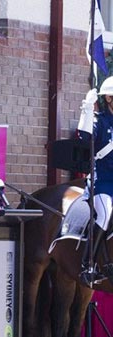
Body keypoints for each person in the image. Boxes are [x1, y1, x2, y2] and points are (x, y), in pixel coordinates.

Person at [77, 78, 113, 284]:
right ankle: (88, 263)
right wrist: (87, 109)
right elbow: (85, 138)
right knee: (105, 212)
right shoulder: (99, 120)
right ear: (109, 98)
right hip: (103, 180)